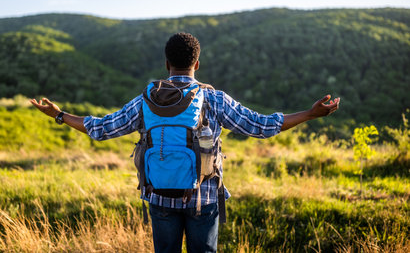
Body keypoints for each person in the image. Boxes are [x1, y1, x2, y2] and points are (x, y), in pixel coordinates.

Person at [31, 32, 340, 253]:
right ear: (197, 64)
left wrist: (60, 115)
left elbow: (100, 128)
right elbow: (261, 126)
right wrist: (310, 114)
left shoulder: (146, 100)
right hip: (203, 199)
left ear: (167, 63)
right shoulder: (213, 99)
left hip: (159, 197)